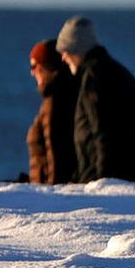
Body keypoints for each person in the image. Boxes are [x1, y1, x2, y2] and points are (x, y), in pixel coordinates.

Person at [56, 15, 135, 183]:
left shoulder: (95, 77)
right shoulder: (115, 72)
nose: (63, 57)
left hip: (114, 182)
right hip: (132, 178)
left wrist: (101, 184)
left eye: (66, 51)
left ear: (78, 48)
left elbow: (102, 134)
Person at [25, 39, 77, 184]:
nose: (32, 73)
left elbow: (55, 154)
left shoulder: (54, 102)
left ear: (46, 66)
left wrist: (52, 194)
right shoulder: (67, 95)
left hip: (48, 191)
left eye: (34, 66)